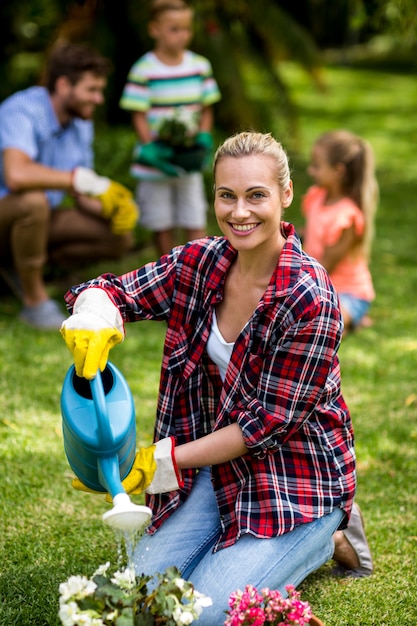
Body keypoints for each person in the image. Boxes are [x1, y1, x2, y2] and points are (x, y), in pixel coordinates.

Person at [61, 131, 373, 625]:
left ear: (285, 196)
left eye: (256, 195)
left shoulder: (310, 298)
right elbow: (111, 290)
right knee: (140, 599)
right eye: (226, 195)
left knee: (204, 614)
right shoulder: (199, 262)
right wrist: (94, 316)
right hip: (216, 469)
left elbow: (263, 426)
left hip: (295, 477)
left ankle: (330, 531)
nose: (239, 212)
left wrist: (158, 462)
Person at [0, 42, 139, 330]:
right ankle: (34, 301)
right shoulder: (22, 111)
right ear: (64, 85)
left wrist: (109, 203)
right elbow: (16, 175)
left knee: (119, 236)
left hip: (38, 221)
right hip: (10, 212)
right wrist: (76, 178)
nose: (99, 98)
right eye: (92, 89)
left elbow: (80, 193)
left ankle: (34, 274)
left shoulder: (80, 124)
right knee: (33, 201)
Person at [119, 0, 221, 256]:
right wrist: (149, 146)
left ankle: (199, 267)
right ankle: (167, 273)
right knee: (159, 219)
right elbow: (138, 113)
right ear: (155, 29)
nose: (182, 35)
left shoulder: (200, 66)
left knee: (193, 213)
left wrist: (204, 135)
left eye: (186, 29)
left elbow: (206, 107)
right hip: (156, 160)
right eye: (174, 29)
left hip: (188, 158)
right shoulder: (144, 69)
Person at [301, 129, 378, 335]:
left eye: (316, 166)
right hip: (320, 287)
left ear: (338, 170)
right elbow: (310, 232)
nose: (310, 171)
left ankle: (355, 314)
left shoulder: (347, 218)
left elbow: (326, 266)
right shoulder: (316, 197)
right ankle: (352, 319)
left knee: (321, 330)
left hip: (348, 293)